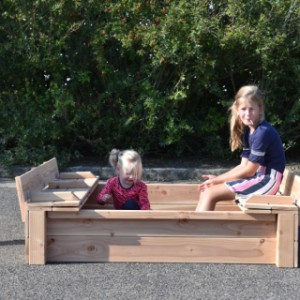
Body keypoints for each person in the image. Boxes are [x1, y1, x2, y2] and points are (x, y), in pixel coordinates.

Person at [196, 85, 286, 211]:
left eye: (251, 109)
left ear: (260, 108)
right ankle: (196, 228)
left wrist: (217, 181)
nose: (247, 114)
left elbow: (249, 170)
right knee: (207, 191)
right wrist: (217, 179)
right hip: (259, 179)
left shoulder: (262, 132)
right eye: (243, 109)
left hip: (267, 182)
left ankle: (200, 230)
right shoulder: (249, 131)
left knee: (210, 193)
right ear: (237, 110)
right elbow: (242, 166)